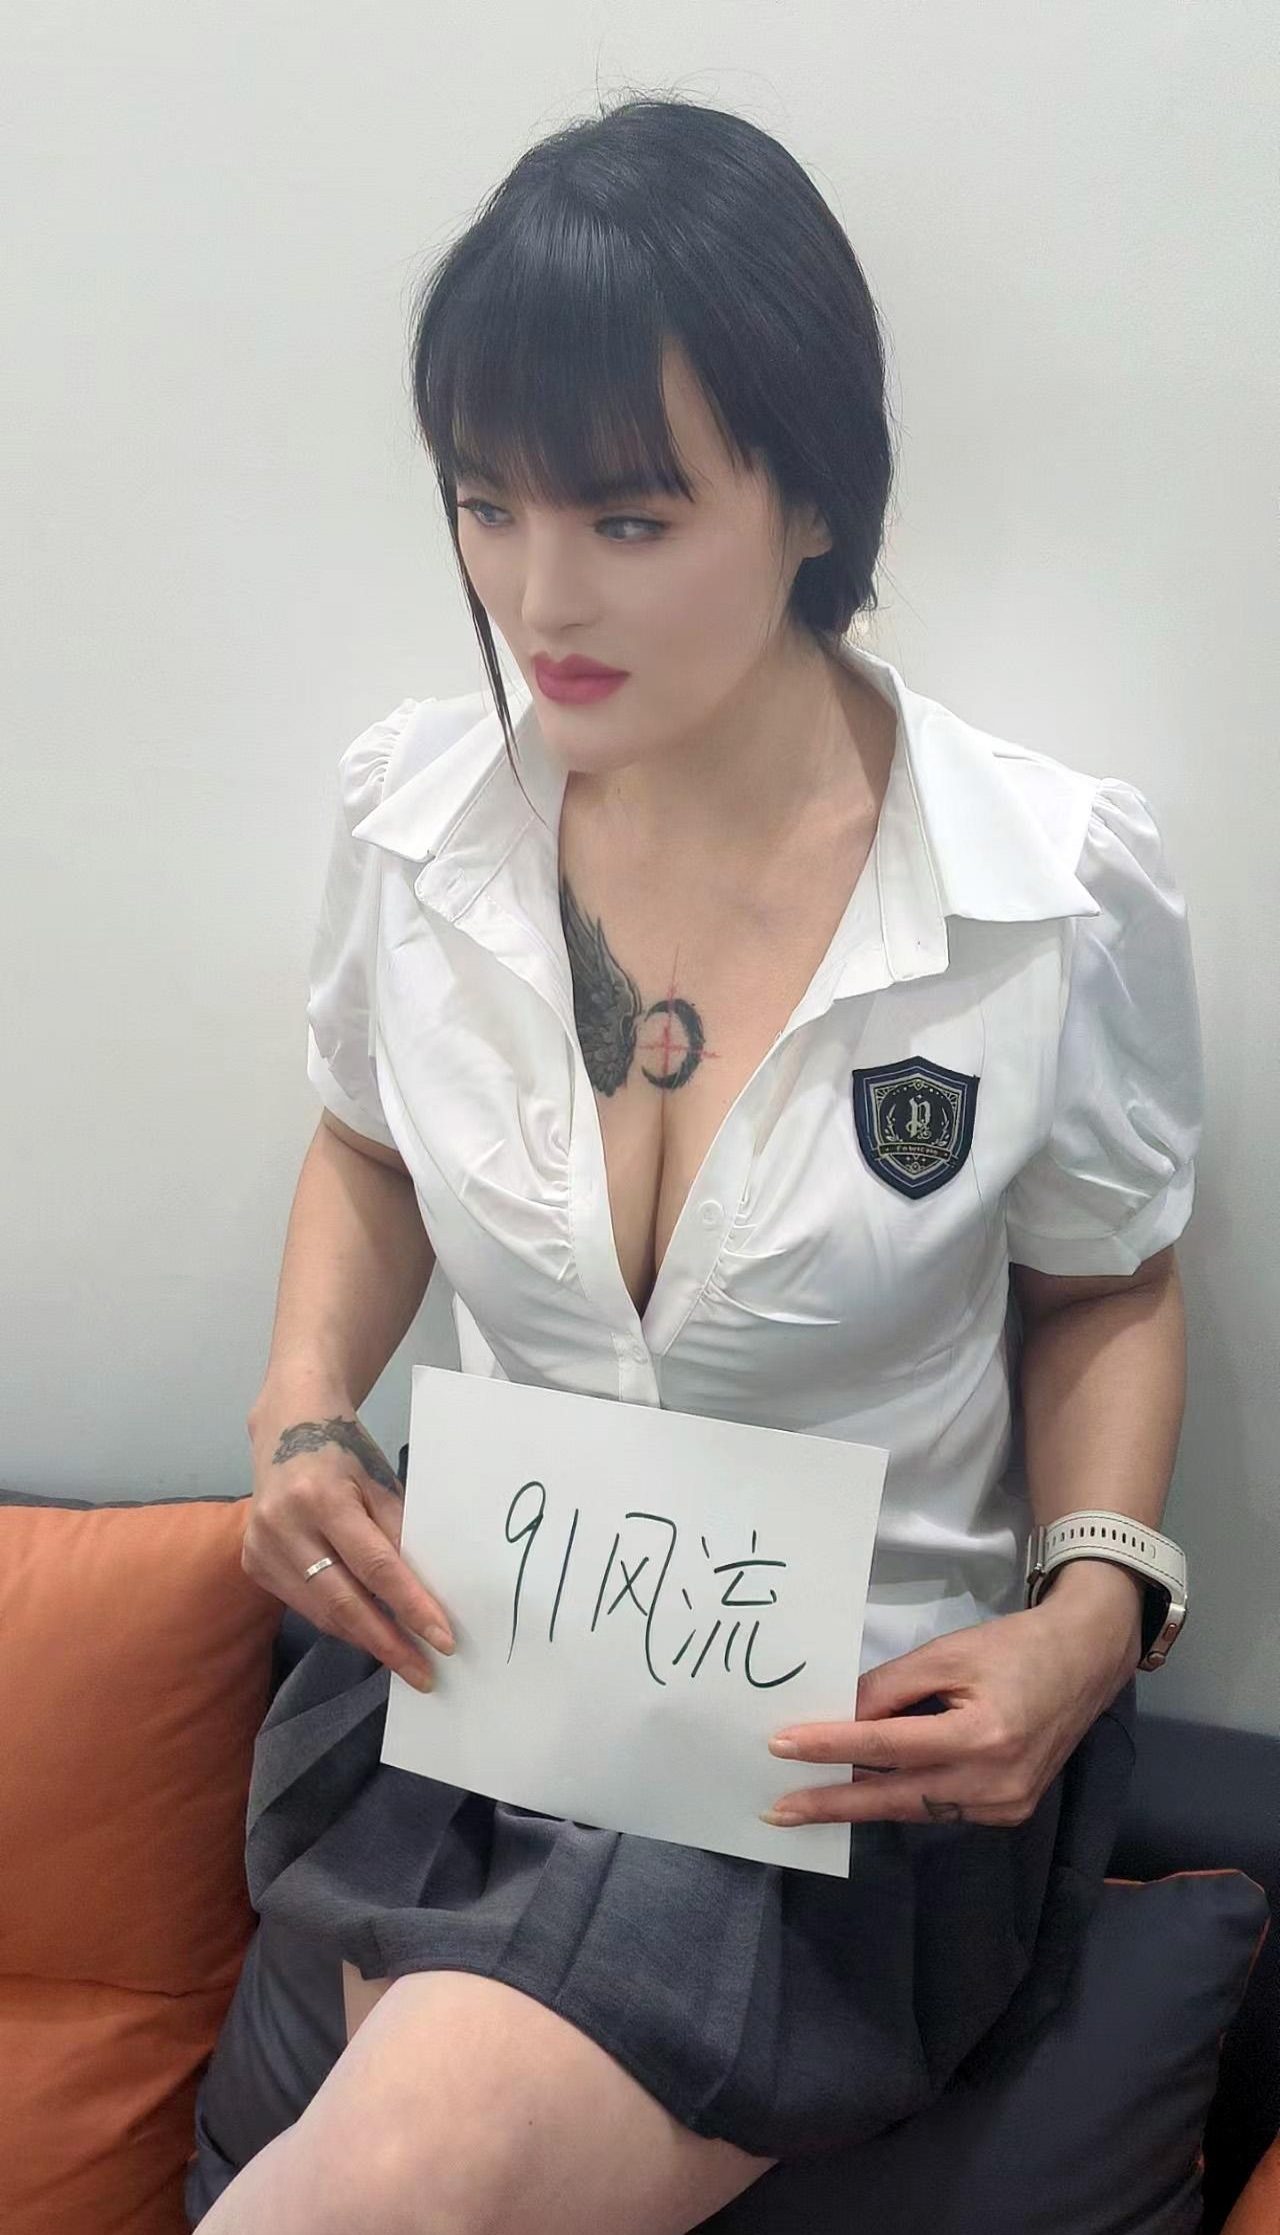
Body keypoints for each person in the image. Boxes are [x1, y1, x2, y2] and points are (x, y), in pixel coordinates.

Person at [203, 92, 1203, 2235]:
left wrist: (1094, 1606)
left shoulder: (1041, 893)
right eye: (486, 505)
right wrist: (298, 1409)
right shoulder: (417, 826)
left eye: (630, 519)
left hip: (838, 1769)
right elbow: (365, 1143)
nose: (538, 594)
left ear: (812, 494)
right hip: (476, 1705)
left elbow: (1104, 1275)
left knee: (408, 2165)